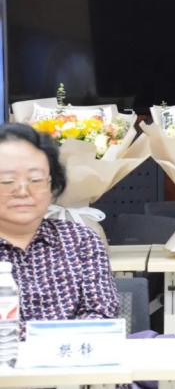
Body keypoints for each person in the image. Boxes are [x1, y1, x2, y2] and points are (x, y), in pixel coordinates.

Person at [0, 122, 119, 339]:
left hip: (74, 359)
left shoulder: (81, 241)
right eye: (7, 181)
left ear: (53, 186)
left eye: (35, 180)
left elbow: (102, 315)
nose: (23, 191)